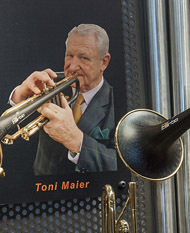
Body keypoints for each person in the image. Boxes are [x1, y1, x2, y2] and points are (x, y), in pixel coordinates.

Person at [11, 24, 115, 175]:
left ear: (104, 62)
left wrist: (76, 140)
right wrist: (20, 95)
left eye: (84, 58)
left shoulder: (117, 100)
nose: (72, 67)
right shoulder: (49, 85)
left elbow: (123, 165)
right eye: (69, 56)